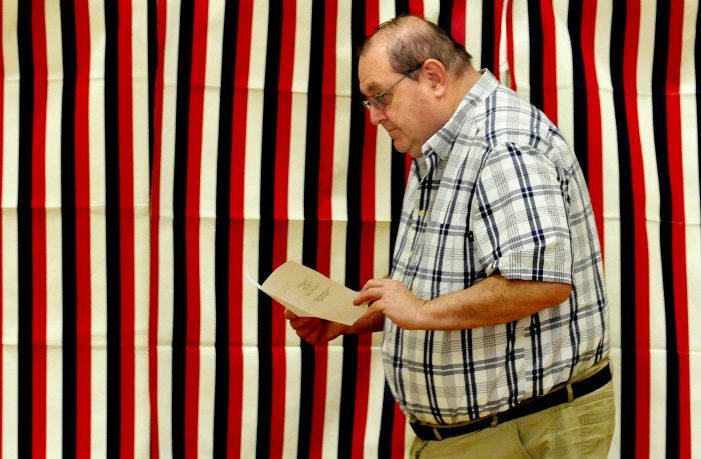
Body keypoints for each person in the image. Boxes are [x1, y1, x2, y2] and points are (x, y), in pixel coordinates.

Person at [286, 15, 614, 458]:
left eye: (379, 97)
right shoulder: (444, 142)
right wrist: (358, 315)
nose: (375, 117)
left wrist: (418, 310)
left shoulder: (503, 144)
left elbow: (541, 282)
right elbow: (456, 278)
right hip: (491, 432)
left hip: (522, 431)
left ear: (433, 77)